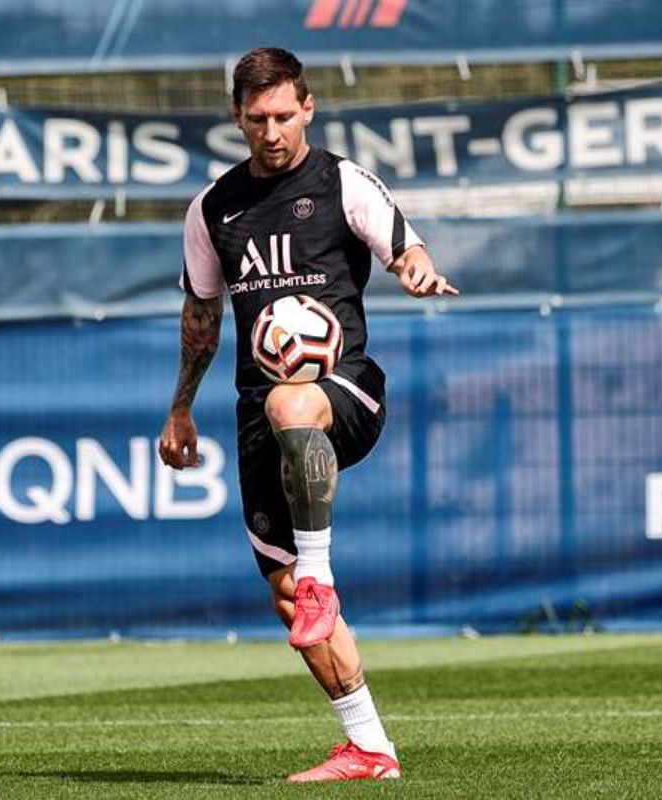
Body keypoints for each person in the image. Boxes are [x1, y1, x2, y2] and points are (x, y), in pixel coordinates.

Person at [157, 47, 457, 783]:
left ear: (309, 108)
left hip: (344, 389)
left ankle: (322, 574)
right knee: (287, 596)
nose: (273, 132)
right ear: (237, 117)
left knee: (292, 399)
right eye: (258, 119)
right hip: (258, 415)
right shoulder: (213, 209)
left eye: (285, 116)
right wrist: (181, 409)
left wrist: (417, 269)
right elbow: (201, 319)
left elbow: (403, 246)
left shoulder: (342, 182)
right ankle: (370, 747)